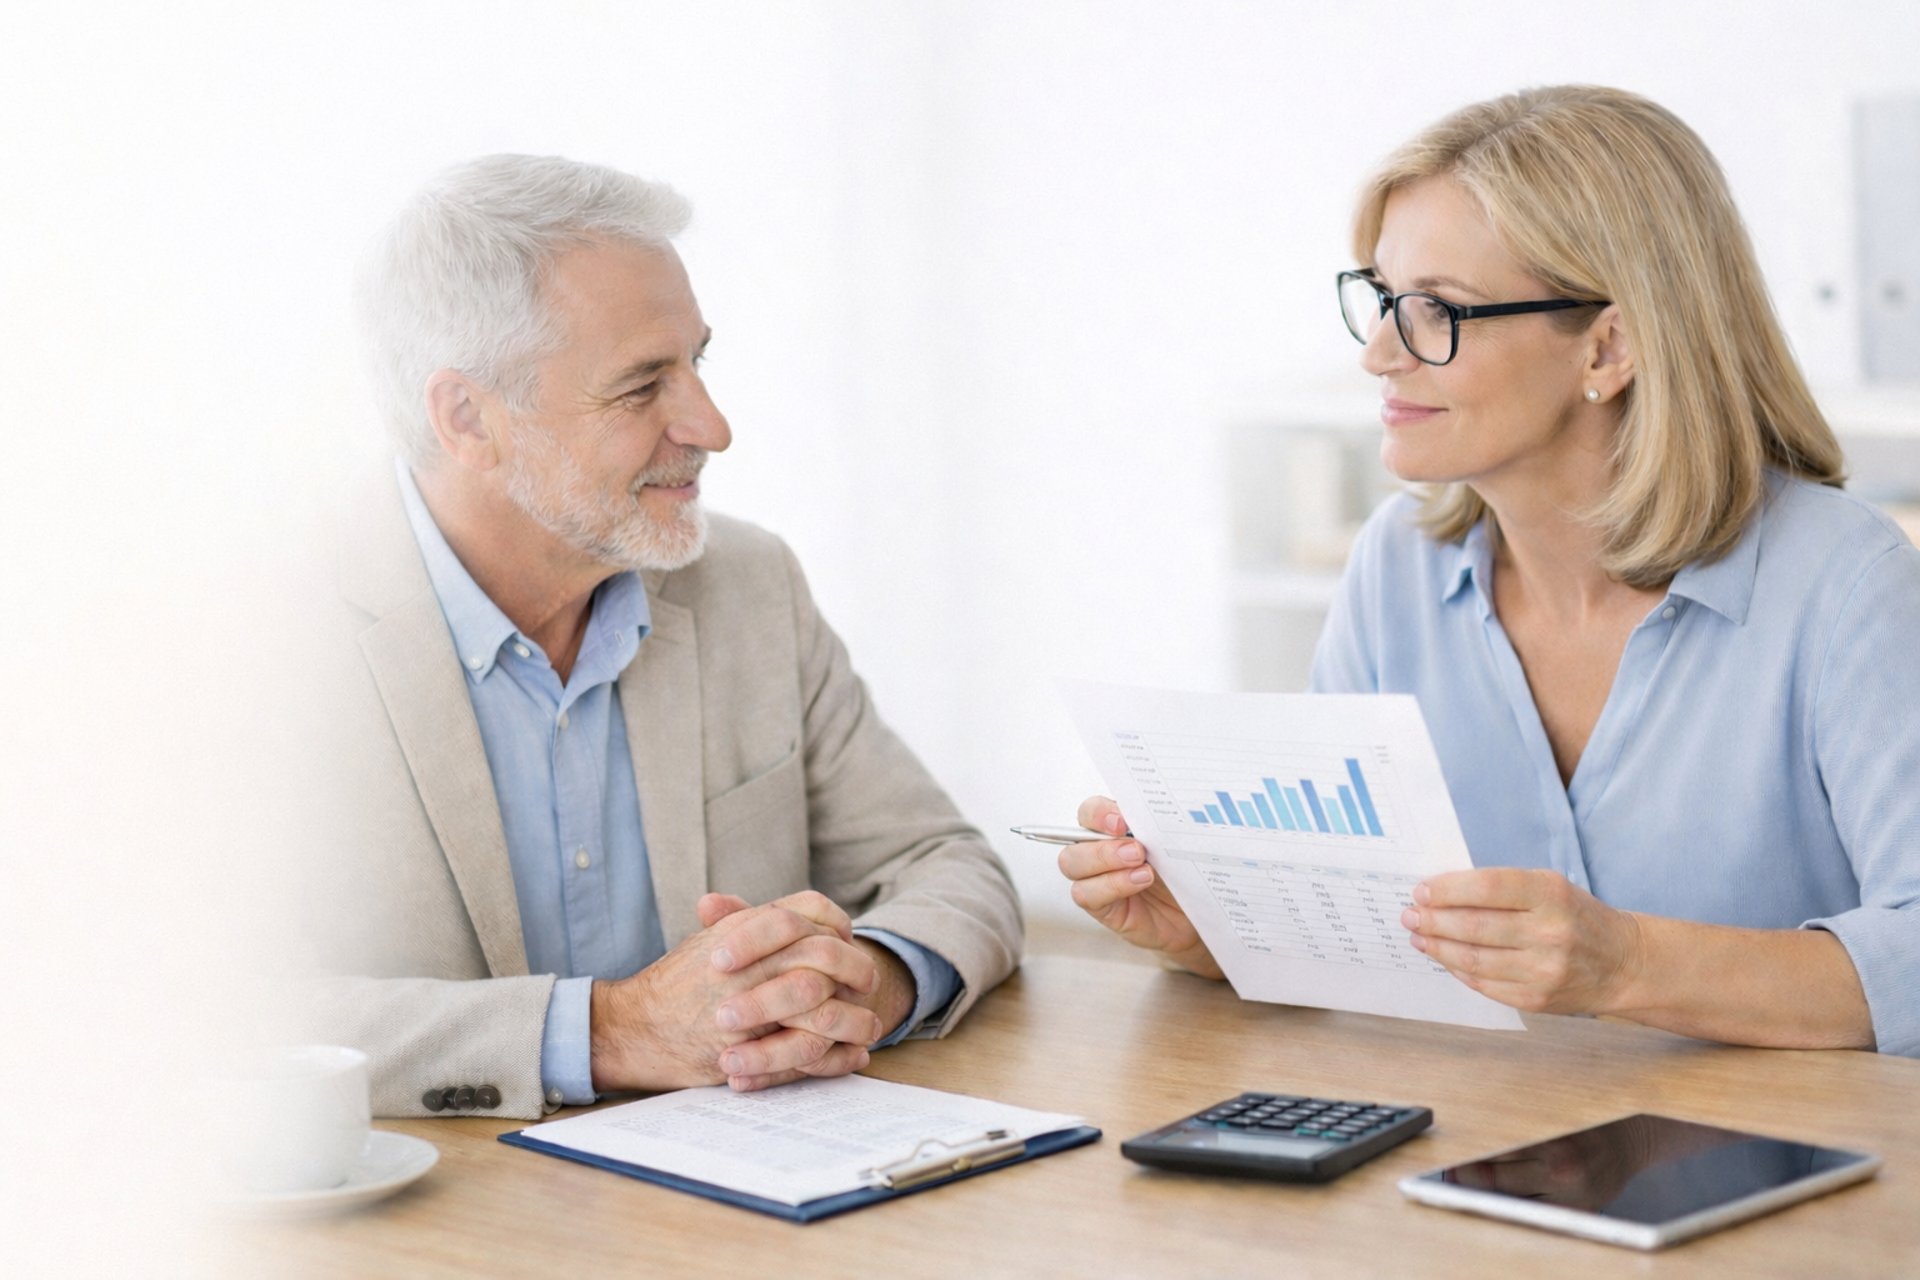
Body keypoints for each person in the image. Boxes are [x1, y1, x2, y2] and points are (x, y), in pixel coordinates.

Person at [1056, 85, 1920, 1057]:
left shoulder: (1848, 584)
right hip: (1487, 1126)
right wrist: (1212, 931)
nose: (1380, 354)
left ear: (1609, 347)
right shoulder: (1396, 567)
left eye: (1436, 311)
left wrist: (1628, 965)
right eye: (1382, 299)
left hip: (1784, 1141)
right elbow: (1361, 913)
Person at [287, 154, 1021, 1119]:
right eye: (641, 387)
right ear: (467, 417)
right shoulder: (245, 637)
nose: (712, 427)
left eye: (696, 364)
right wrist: (615, 1031)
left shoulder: (748, 586)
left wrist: (860, 983)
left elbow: (947, 864)